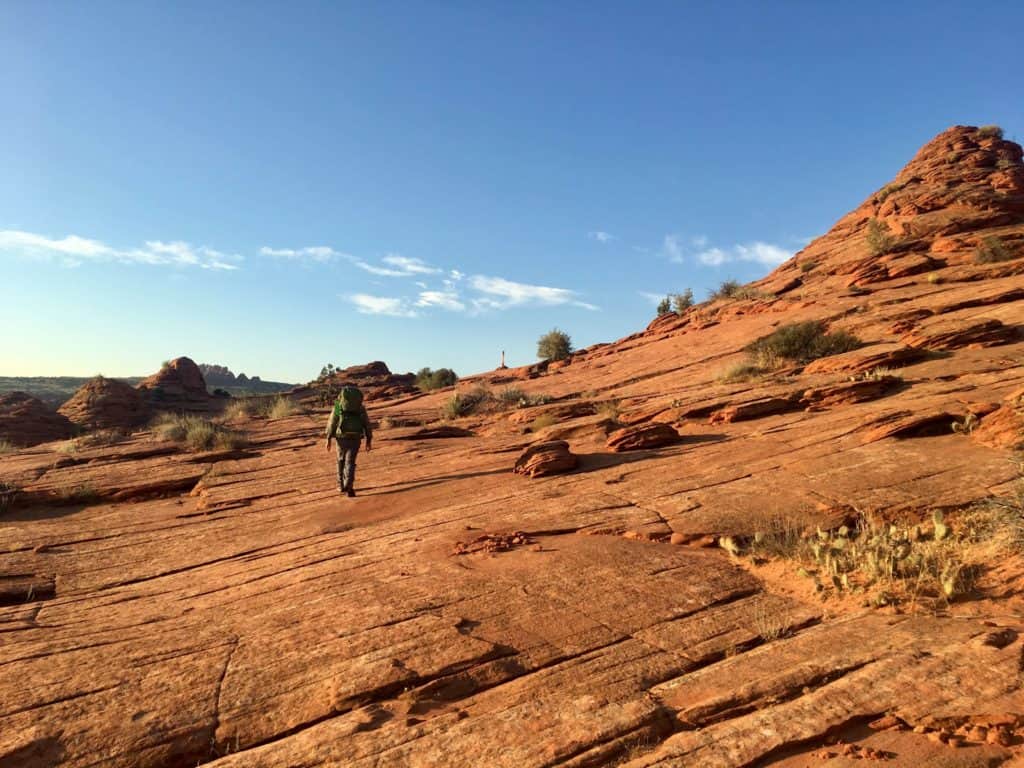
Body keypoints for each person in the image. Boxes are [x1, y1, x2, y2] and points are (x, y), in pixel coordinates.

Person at [325, 384, 372, 497]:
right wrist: (369, 439)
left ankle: (341, 485)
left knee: (340, 460)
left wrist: (328, 438)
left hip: (341, 437)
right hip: (355, 437)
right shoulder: (360, 407)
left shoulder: (338, 406)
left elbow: (332, 422)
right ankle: (349, 487)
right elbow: (366, 423)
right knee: (350, 462)